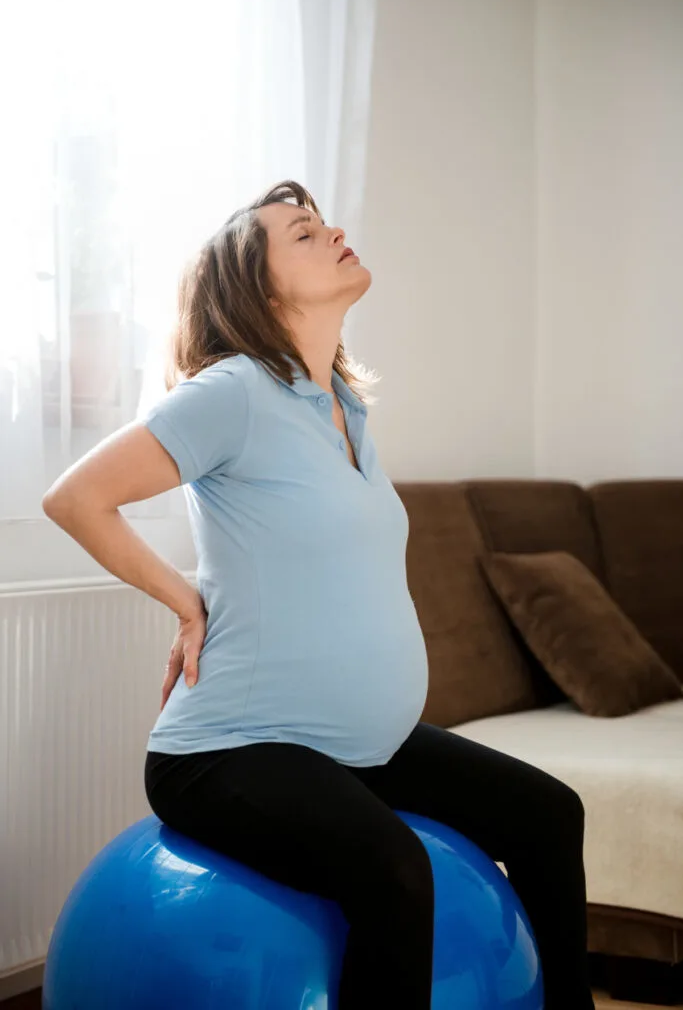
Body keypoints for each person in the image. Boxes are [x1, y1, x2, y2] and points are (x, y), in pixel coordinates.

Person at [42, 179, 596, 1009]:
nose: (332, 231)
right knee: (394, 871)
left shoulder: (343, 408)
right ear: (258, 288)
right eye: (302, 232)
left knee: (549, 815)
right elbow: (76, 497)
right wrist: (185, 601)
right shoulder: (232, 392)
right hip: (229, 752)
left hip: (352, 747)